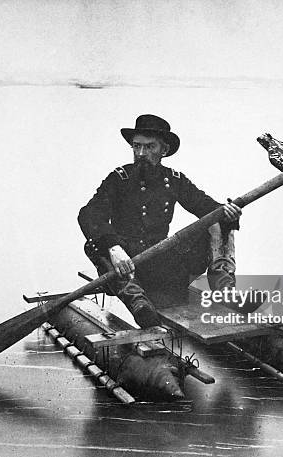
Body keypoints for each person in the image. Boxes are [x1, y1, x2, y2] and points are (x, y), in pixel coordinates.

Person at [78, 114, 244, 328]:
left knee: (218, 221)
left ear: (164, 150)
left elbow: (205, 206)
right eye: (136, 146)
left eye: (149, 147)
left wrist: (227, 212)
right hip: (126, 266)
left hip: (164, 264)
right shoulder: (119, 178)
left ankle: (224, 290)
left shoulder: (174, 179)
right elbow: (89, 213)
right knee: (95, 244)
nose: (141, 153)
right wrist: (114, 247)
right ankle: (139, 304)